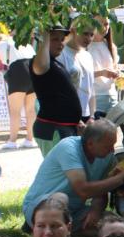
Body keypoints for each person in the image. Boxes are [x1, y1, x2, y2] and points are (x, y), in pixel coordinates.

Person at [21, 119, 124, 237]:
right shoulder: (68, 148)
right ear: (90, 143)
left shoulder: (107, 157)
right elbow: (82, 190)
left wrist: (95, 210)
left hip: (74, 210)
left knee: (115, 227)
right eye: (107, 146)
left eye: (113, 145)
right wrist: (121, 177)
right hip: (41, 207)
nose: (112, 150)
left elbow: (101, 190)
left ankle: (68, 234)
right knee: (60, 198)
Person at [28, 23, 84, 153]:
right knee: (60, 165)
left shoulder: (55, 63)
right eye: (54, 39)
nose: (60, 43)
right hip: (52, 128)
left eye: (62, 39)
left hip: (64, 127)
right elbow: (42, 66)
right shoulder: (39, 62)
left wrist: (77, 120)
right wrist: (45, 36)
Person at [0, 29, 37, 148]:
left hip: (18, 70)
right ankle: (30, 139)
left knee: (15, 111)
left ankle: (12, 141)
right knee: (30, 109)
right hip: (33, 69)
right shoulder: (23, 42)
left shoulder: (0, 45)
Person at [63, 17, 101, 121]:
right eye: (85, 33)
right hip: (67, 114)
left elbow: (91, 89)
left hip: (86, 114)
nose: (89, 38)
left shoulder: (87, 56)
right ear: (74, 31)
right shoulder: (62, 54)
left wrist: (92, 116)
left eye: (91, 35)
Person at [88, 14, 120, 115]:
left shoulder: (110, 45)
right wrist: (102, 73)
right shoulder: (86, 46)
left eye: (106, 24)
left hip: (112, 96)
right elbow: (82, 75)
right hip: (94, 97)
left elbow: (115, 68)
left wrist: (117, 74)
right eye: (99, 23)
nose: (103, 27)